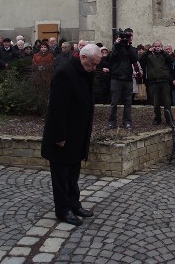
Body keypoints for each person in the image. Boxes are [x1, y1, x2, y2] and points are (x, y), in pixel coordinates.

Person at [41, 44, 102, 226]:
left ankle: (74, 204)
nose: (94, 68)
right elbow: (57, 109)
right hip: (63, 136)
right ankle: (63, 210)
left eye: (96, 65)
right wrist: (59, 136)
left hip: (77, 135)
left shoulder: (85, 72)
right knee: (61, 176)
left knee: (73, 174)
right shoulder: (65, 73)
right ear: (83, 58)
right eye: (93, 64)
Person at [108, 28, 137, 129]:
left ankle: (127, 121)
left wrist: (128, 46)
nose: (126, 39)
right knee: (114, 102)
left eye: (128, 37)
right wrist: (116, 45)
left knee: (128, 102)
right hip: (116, 78)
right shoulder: (116, 47)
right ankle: (112, 122)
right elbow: (111, 58)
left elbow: (134, 59)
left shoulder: (132, 49)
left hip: (128, 78)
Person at [140, 41, 173, 125]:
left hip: (164, 81)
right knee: (155, 102)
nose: (157, 47)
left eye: (159, 46)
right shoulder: (149, 55)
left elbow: (171, 60)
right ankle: (157, 118)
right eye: (156, 46)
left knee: (167, 102)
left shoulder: (164, 54)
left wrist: (163, 52)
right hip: (153, 81)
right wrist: (148, 51)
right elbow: (140, 60)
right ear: (153, 47)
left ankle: (169, 119)